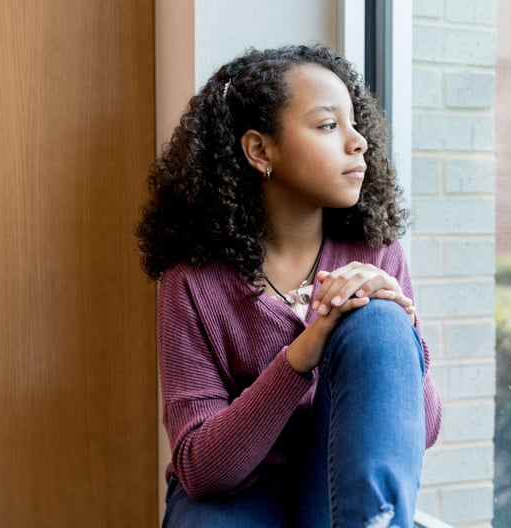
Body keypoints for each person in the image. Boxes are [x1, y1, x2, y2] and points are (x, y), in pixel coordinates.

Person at [136, 44, 442, 528]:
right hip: (234, 497)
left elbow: (421, 430)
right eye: (327, 125)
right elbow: (201, 469)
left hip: (338, 491)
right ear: (260, 150)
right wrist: (304, 352)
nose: (357, 141)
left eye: (354, 123)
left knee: (381, 319)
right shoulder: (191, 280)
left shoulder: (375, 253)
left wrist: (403, 328)